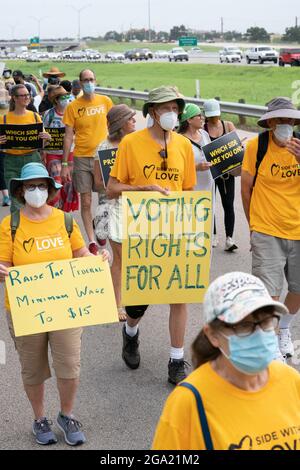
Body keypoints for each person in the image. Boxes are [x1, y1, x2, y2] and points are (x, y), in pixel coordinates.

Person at [0, 162, 110, 446]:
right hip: (27, 308)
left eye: (41, 186)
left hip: (65, 306)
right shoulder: (10, 225)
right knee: (33, 367)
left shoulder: (65, 220)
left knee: (69, 363)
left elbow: (80, 252)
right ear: (21, 192)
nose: (36, 191)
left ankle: (67, 414)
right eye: (29, 186)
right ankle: (39, 418)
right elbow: (3, 266)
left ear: (50, 190)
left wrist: (96, 259)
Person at [107, 86, 196, 385]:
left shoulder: (184, 145)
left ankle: (176, 359)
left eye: (176, 108)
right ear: (153, 112)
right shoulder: (131, 144)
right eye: (165, 108)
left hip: (173, 231)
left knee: (179, 295)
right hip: (141, 231)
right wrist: (142, 189)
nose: (172, 113)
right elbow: (112, 188)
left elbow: (188, 191)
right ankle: (130, 332)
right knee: (139, 302)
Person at [152, 271, 300, 450]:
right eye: (244, 325)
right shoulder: (188, 402)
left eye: (266, 321)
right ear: (213, 335)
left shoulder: (290, 380)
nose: (259, 333)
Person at [241, 97, 300, 362]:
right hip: (266, 228)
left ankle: (283, 329)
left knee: (298, 290)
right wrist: (252, 227)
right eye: (280, 120)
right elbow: (246, 188)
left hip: (297, 229)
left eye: (290, 120)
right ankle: (271, 346)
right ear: (270, 123)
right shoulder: (257, 146)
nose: (285, 125)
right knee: (269, 292)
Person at [61, 69, 113, 255]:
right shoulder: (73, 107)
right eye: (85, 80)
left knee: (105, 199)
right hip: (82, 157)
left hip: (104, 157)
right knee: (86, 201)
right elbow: (68, 136)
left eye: (92, 79)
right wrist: (65, 164)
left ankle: (100, 228)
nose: (89, 82)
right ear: (80, 83)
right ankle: (91, 240)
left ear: (95, 80)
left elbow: (113, 128)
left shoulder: (105, 101)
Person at [94, 104, 136, 321]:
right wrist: (117, 182)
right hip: (111, 206)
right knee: (119, 258)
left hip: (136, 206)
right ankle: (117, 304)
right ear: (121, 123)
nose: (135, 123)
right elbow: (98, 182)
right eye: (131, 119)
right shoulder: (104, 147)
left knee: (132, 256)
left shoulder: (137, 143)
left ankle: (131, 297)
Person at [0, 84, 50, 213]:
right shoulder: (4, 119)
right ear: (14, 98)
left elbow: (41, 144)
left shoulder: (35, 117)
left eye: (28, 95)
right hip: (12, 161)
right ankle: (17, 230)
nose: (26, 97)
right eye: (23, 95)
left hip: (32, 159)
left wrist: (47, 138)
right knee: (16, 202)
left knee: (34, 198)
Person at [178, 103, 216, 246]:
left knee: (204, 228)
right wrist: (196, 167)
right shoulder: (179, 139)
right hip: (190, 191)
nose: (202, 118)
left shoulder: (204, 135)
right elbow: (175, 167)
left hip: (208, 190)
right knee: (189, 229)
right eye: (198, 116)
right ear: (188, 120)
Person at [203, 99, 238, 251]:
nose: (214, 119)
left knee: (228, 204)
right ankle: (213, 234)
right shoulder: (203, 129)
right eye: (211, 116)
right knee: (210, 205)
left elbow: (236, 146)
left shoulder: (228, 125)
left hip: (226, 172)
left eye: (216, 115)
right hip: (209, 173)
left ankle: (230, 238)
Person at [43, 86, 78, 212]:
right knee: (57, 182)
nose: (66, 100)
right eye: (63, 97)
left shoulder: (73, 112)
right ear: (56, 100)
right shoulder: (49, 114)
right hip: (53, 154)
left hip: (70, 153)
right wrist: (44, 149)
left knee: (68, 184)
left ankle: (65, 214)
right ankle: (54, 210)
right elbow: (42, 133)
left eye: (67, 97)